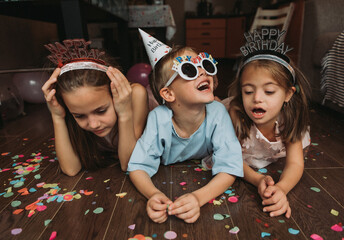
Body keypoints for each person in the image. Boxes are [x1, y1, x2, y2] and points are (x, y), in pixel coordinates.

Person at [127, 29, 244, 224]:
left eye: (205, 65)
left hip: (218, 110)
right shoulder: (158, 118)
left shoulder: (217, 113)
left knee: (222, 104)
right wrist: (153, 194)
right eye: (189, 70)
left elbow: (230, 166)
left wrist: (198, 198)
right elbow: (138, 166)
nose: (202, 72)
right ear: (169, 94)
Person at [228, 30, 311, 218]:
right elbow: (230, 158)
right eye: (248, 91)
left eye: (269, 92)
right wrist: (257, 180)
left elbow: (296, 163)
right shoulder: (236, 114)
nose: (257, 99)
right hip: (230, 114)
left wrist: (281, 188)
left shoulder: (289, 118)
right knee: (213, 108)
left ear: (288, 94)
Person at [41, 39, 148, 176]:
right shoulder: (68, 109)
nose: (93, 124)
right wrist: (57, 117)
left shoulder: (135, 95)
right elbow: (71, 169)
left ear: (114, 93)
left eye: (101, 111)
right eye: (79, 116)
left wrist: (125, 113)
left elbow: (128, 164)